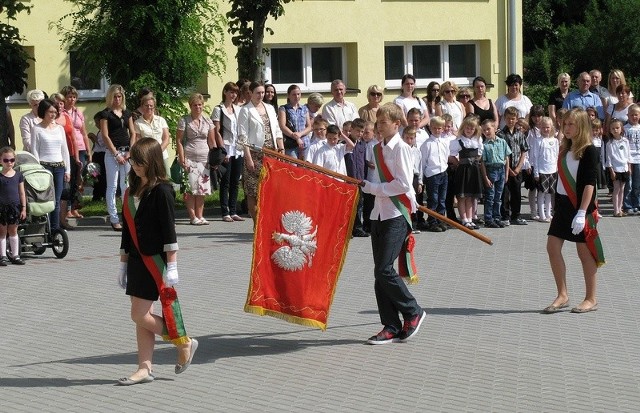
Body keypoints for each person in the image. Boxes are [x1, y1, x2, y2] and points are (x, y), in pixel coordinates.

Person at [117, 137, 198, 385]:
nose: (135, 166)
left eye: (140, 162)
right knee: (144, 314)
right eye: (133, 161)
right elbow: (127, 231)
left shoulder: (163, 190)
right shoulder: (132, 191)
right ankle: (144, 368)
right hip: (136, 260)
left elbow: (168, 231)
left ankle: (182, 340)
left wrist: (172, 265)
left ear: (152, 161)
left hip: (156, 261)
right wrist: (122, 262)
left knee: (139, 315)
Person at [359, 102, 426, 344]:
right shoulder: (377, 149)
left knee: (384, 270)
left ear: (397, 124)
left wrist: (373, 188)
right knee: (380, 273)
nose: (379, 126)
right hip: (379, 213)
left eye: (384, 122)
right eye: (377, 121)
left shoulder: (402, 149)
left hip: (396, 215)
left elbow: (403, 184)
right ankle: (390, 325)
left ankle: (412, 310)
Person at [543, 108, 604, 314]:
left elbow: (589, 184)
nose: (566, 128)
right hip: (562, 205)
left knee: (584, 253)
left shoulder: (589, 150)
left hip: (581, 207)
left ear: (582, 126)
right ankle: (562, 294)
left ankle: (591, 298)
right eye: (565, 124)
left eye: (571, 124)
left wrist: (582, 212)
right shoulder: (564, 149)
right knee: (552, 247)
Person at [238, 81, 285, 225]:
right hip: (254, 153)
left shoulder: (270, 108)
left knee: (270, 189)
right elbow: (242, 137)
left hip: (271, 153)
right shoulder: (245, 110)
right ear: (250, 93)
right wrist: (248, 158)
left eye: (263, 93)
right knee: (253, 190)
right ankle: (257, 223)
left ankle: (268, 221)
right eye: (258, 93)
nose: (261, 95)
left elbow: (277, 129)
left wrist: (281, 148)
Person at [98, 84, 136, 232]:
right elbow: (105, 136)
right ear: (110, 97)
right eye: (114, 96)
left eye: (119, 96)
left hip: (127, 152)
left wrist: (130, 151)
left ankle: (127, 215)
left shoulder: (127, 113)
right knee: (112, 186)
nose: (117, 99)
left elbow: (132, 133)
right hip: (112, 153)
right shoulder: (105, 114)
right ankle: (114, 218)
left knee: (126, 186)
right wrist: (115, 154)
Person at [176, 93, 217, 226]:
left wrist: (215, 157)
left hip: (204, 158)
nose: (198, 107)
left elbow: (212, 141)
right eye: (195, 105)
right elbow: (179, 140)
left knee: (202, 188)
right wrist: (182, 158)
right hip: (190, 157)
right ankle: (192, 216)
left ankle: (200, 215)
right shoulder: (184, 120)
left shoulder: (208, 121)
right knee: (190, 187)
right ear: (190, 106)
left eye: (200, 105)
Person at [30, 99, 71, 231]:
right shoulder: (37, 129)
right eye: (50, 112)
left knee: (57, 200)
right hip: (44, 167)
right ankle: (43, 228)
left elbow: (64, 150)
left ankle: (55, 228)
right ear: (43, 112)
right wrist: (37, 169)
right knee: (45, 200)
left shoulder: (59, 129)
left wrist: (67, 170)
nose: (52, 114)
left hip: (59, 166)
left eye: (55, 111)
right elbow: (34, 150)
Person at [212, 82, 244, 222]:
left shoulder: (237, 109)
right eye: (231, 92)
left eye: (235, 92)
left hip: (237, 147)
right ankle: (225, 211)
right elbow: (217, 131)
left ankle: (233, 210)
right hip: (226, 147)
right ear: (225, 92)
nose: (233, 95)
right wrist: (223, 150)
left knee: (235, 180)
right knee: (225, 180)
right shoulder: (218, 109)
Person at [61, 85, 92, 219]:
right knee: (69, 179)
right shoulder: (61, 113)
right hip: (68, 149)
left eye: (74, 97)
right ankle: (67, 208)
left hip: (81, 147)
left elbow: (84, 133)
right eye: (69, 97)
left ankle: (75, 207)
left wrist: (89, 151)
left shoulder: (78, 112)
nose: (72, 99)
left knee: (79, 180)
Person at [52, 93, 80, 230]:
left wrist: (77, 157)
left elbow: (74, 138)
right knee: (58, 190)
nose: (59, 106)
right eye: (57, 103)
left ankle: (63, 219)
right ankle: (55, 221)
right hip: (56, 158)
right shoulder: (50, 119)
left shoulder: (67, 117)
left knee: (67, 190)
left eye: (61, 103)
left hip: (69, 156)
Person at [449, 116, 483, 229]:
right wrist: (459, 163)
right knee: (462, 196)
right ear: (463, 128)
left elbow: (480, 154)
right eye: (467, 128)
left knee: (470, 196)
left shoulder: (477, 140)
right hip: (463, 170)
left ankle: (470, 218)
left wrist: (475, 161)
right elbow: (452, 155)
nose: (469, 130)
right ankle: (463, 219)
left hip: (473, 170)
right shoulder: (458, 141)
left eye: (472, 129)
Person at [498, 107, 529, 226]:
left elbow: (524, 151)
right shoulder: (500, 134)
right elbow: (500, 153)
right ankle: (505, 216)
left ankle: (516, 215)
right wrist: (508, 169)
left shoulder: (520, 134)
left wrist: (518, 168)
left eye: (513, 119)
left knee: (516, 193)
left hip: (517, 168)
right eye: (508, 118)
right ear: (505, 119)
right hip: (505, 168)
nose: (511, 121)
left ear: (516, 119)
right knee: (505, 193)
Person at [419, 116, 450, 232]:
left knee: (442, 199)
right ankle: (432, 221)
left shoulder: (444, 142)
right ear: (431, 128)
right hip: (432, 174)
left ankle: (440, 219)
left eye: (440, 128)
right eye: (435, 128)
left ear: (443, 129)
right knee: (433, 199)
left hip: (443, 173)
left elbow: (446, 156)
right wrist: (422, 179)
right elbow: (423, 162)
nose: (437, 130)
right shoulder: (427, 144)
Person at [480, 120, 511, 228]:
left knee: (498, 197)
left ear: (494, 128)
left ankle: (497, 217)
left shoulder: (502, 142)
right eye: (484, 130)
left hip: (501, 170)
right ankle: (489, 219)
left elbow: (507, 158)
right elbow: (482, 163)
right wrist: (485, 177)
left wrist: (506, 173)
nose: (486, 132)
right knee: (490, 196)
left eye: (488, 129)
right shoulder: (484, 145)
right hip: (491, 170)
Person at [0, 146, 27, 265]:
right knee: (2, 231)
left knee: (13, 230)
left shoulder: (18, 175)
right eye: (5, 160)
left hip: (14, 207)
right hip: (2, 207)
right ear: (0, 161)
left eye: (11, 160)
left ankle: (15, 255)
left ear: (15, 160)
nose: (9, 163)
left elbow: (22, 193)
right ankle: (3, 256)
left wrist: (24, 208)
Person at [134, 95, 171, 175]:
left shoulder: (161, 120)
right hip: (147, 158)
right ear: (142, 106)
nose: (149, 108)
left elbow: (166, 139)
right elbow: (139, 141)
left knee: (167, 178)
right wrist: (149, 155)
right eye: (146, 105)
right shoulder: (137, 123)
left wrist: (157, 152)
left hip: (162, 155)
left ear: (154, 107)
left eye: (151, 106)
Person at [344, 118, 369, 237]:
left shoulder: (362, 145)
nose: (359, 133)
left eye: (362, 131)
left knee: (359, 204)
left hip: (360, 179)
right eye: (357, 131)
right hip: (349, 179)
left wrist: (364, 178)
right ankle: (349, 228)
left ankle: (357, 227)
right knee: (349, 205)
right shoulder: (345, 144)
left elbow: (363, 162)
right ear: (351, 130)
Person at [532, 117, 559, 222]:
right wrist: (536, 173)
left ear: (551, 127)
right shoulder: (538, 141)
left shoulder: (555, 141)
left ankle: (549, 213)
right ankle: (542, 215)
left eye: (547, 127)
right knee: (541, 193)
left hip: (552, 170)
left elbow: (557, 156)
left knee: (549, 193)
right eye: (543, 127)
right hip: (542, 170)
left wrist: (557, 169)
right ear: (540, 127)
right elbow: (535, 157)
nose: (546, 129)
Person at [279, 84, 312, 159]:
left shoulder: (304, 108)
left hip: (305, 143)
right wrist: (296, 138)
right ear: (288, 95)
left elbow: (309, 126)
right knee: (292, 168)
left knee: (304, 168)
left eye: (298, 94)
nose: (296, 96)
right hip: (291, 144)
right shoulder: (283, 109)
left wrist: (300, 134)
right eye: (294, 94)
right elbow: (282, 126)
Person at [605, 118, 630, 217]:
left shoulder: (625, 141)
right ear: (610, 130)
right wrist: (611, 171)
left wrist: (629, 167)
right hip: (615, 169)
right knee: (616, 189)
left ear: (621, 128)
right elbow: (609, 158)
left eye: (617, 128)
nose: (615, 130)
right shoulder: (610, 143)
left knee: (622, 189)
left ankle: (620, 209)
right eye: (613, 128)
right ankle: (615, 210)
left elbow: (628, 155)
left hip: (624, 168)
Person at [402, 126, 422, 234]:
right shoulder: (401, 149)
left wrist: (420, 181)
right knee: (405, 201)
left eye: (412, 138)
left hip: (414, 177)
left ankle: (413, 225)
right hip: (405, 177)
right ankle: (405, 224)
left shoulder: (417, 151)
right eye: (407, 138)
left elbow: (420, 167)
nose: (409, 140)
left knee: (414, 202)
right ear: (403, 137)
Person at [622, 105, 640, 215]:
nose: (634, 117)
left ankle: (637, 204)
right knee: (628, 184)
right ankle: (627, 205)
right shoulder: (625, 128)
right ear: (627, 115)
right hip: (628, 159)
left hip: (638, 159)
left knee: (637, 185)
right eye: (632, 114)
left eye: (636, 115)